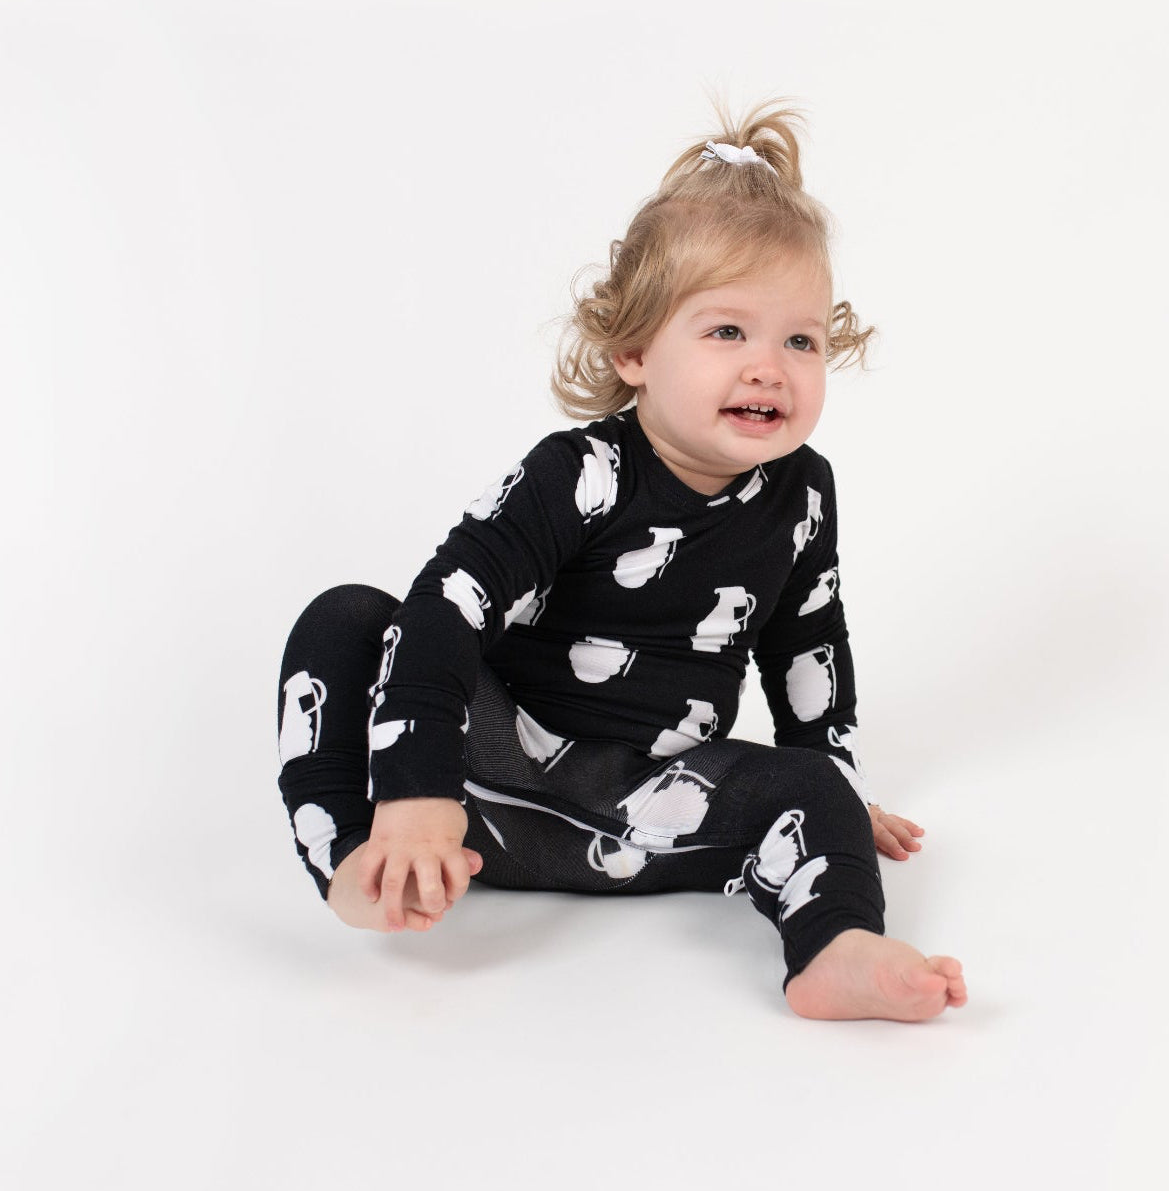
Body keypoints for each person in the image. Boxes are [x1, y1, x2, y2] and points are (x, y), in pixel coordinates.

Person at [274, 98, 968, 1022]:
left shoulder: (802, 491)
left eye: (798, 339)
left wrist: (831, 792)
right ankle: (356, 865)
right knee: (351, 618)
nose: (769, 366)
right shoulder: (581, 473)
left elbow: (809, 643)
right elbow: (446, 607)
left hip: (653, 807)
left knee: (812, 786)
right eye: (727, 331)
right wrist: (415, 792)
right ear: (635, 349)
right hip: (486, 781)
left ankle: (831, 945)